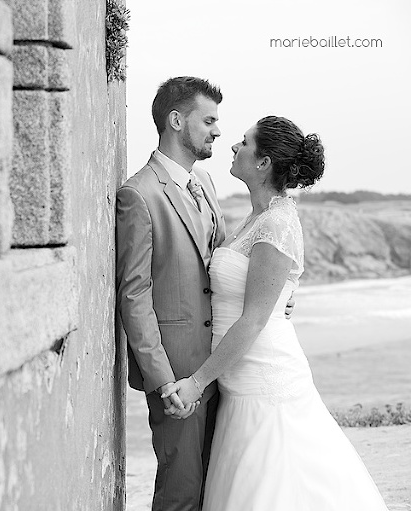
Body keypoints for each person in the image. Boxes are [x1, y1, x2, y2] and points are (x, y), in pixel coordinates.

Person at [162, 116, 388, 510]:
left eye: (244, 142)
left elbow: (253, 320)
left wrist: (196, 382)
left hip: (263, 378)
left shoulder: (278, 224)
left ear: (263, 162)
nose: (233, 147)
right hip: (237, 380)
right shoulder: (255, 218)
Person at [117, 76, 245, 511]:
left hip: (217, 365)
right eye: (208, 120)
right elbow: (134, 296)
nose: (217, 131)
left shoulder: (205, 183)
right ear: (176, 120)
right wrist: (164, 381)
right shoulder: (139, 194)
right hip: (177, 375)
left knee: (217, 487)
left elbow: (221, 264)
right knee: (181, 494)